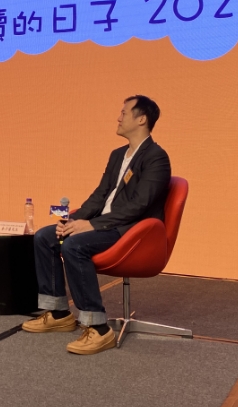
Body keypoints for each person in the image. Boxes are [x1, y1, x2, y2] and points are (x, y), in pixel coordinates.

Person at [22, 95, 171, 355]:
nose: (118, 118)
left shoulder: (156, 158)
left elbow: (138, 206)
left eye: (124, 113)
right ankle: (58, 313)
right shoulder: (117, 155)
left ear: (141, 119)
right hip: (104, 224)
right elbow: (99, 195)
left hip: (130, 231)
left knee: (74, 245)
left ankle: (98, 327)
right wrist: (74, 221)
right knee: (46, 237)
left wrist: (92, 225)